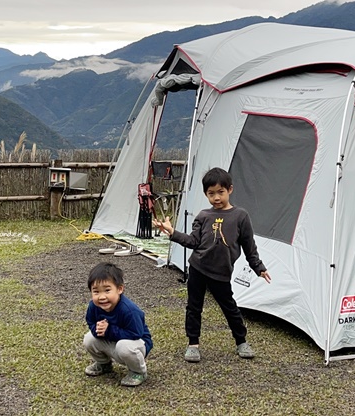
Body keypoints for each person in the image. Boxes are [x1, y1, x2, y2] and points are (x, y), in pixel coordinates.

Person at [154, 166, 271, 362]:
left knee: (229, 307)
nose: (216, 197)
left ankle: (241, 341)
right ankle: (193, 344)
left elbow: (249, 246)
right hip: (198, 268)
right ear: (206, 194)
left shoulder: (241, 216)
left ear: (230, 190)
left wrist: (258, 267)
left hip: (221, 273)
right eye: (211, 193)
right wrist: (172, 233)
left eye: (220, 192)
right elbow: (193, 242)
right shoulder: (203, 216)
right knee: (194, 307)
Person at [83, 262, 152, 387]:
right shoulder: (93, 306)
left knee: (124, 346)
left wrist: (108, 330)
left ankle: (138, 371)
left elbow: (136, 333)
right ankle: (104, 364)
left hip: (136, 345)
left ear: (120, 289)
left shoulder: (130, 310)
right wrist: (96, 329)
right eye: (96, 292)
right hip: (114, 341)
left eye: (107, 290)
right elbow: (91, 322)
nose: (102, 297)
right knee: (89, 338)